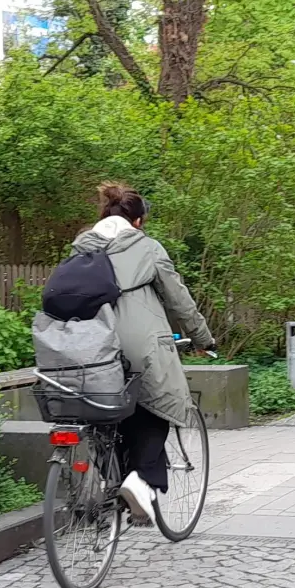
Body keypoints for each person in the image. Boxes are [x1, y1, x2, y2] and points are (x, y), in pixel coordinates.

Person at [68, 183, 217, 520]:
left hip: (86, 344)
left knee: (108, 412)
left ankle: (109, 484)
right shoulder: (146, 247)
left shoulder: (81, 247)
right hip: (137, 345)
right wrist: (203, 338)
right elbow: (178, 298)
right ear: (138, 221)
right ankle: (141, 480)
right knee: (158, 407)